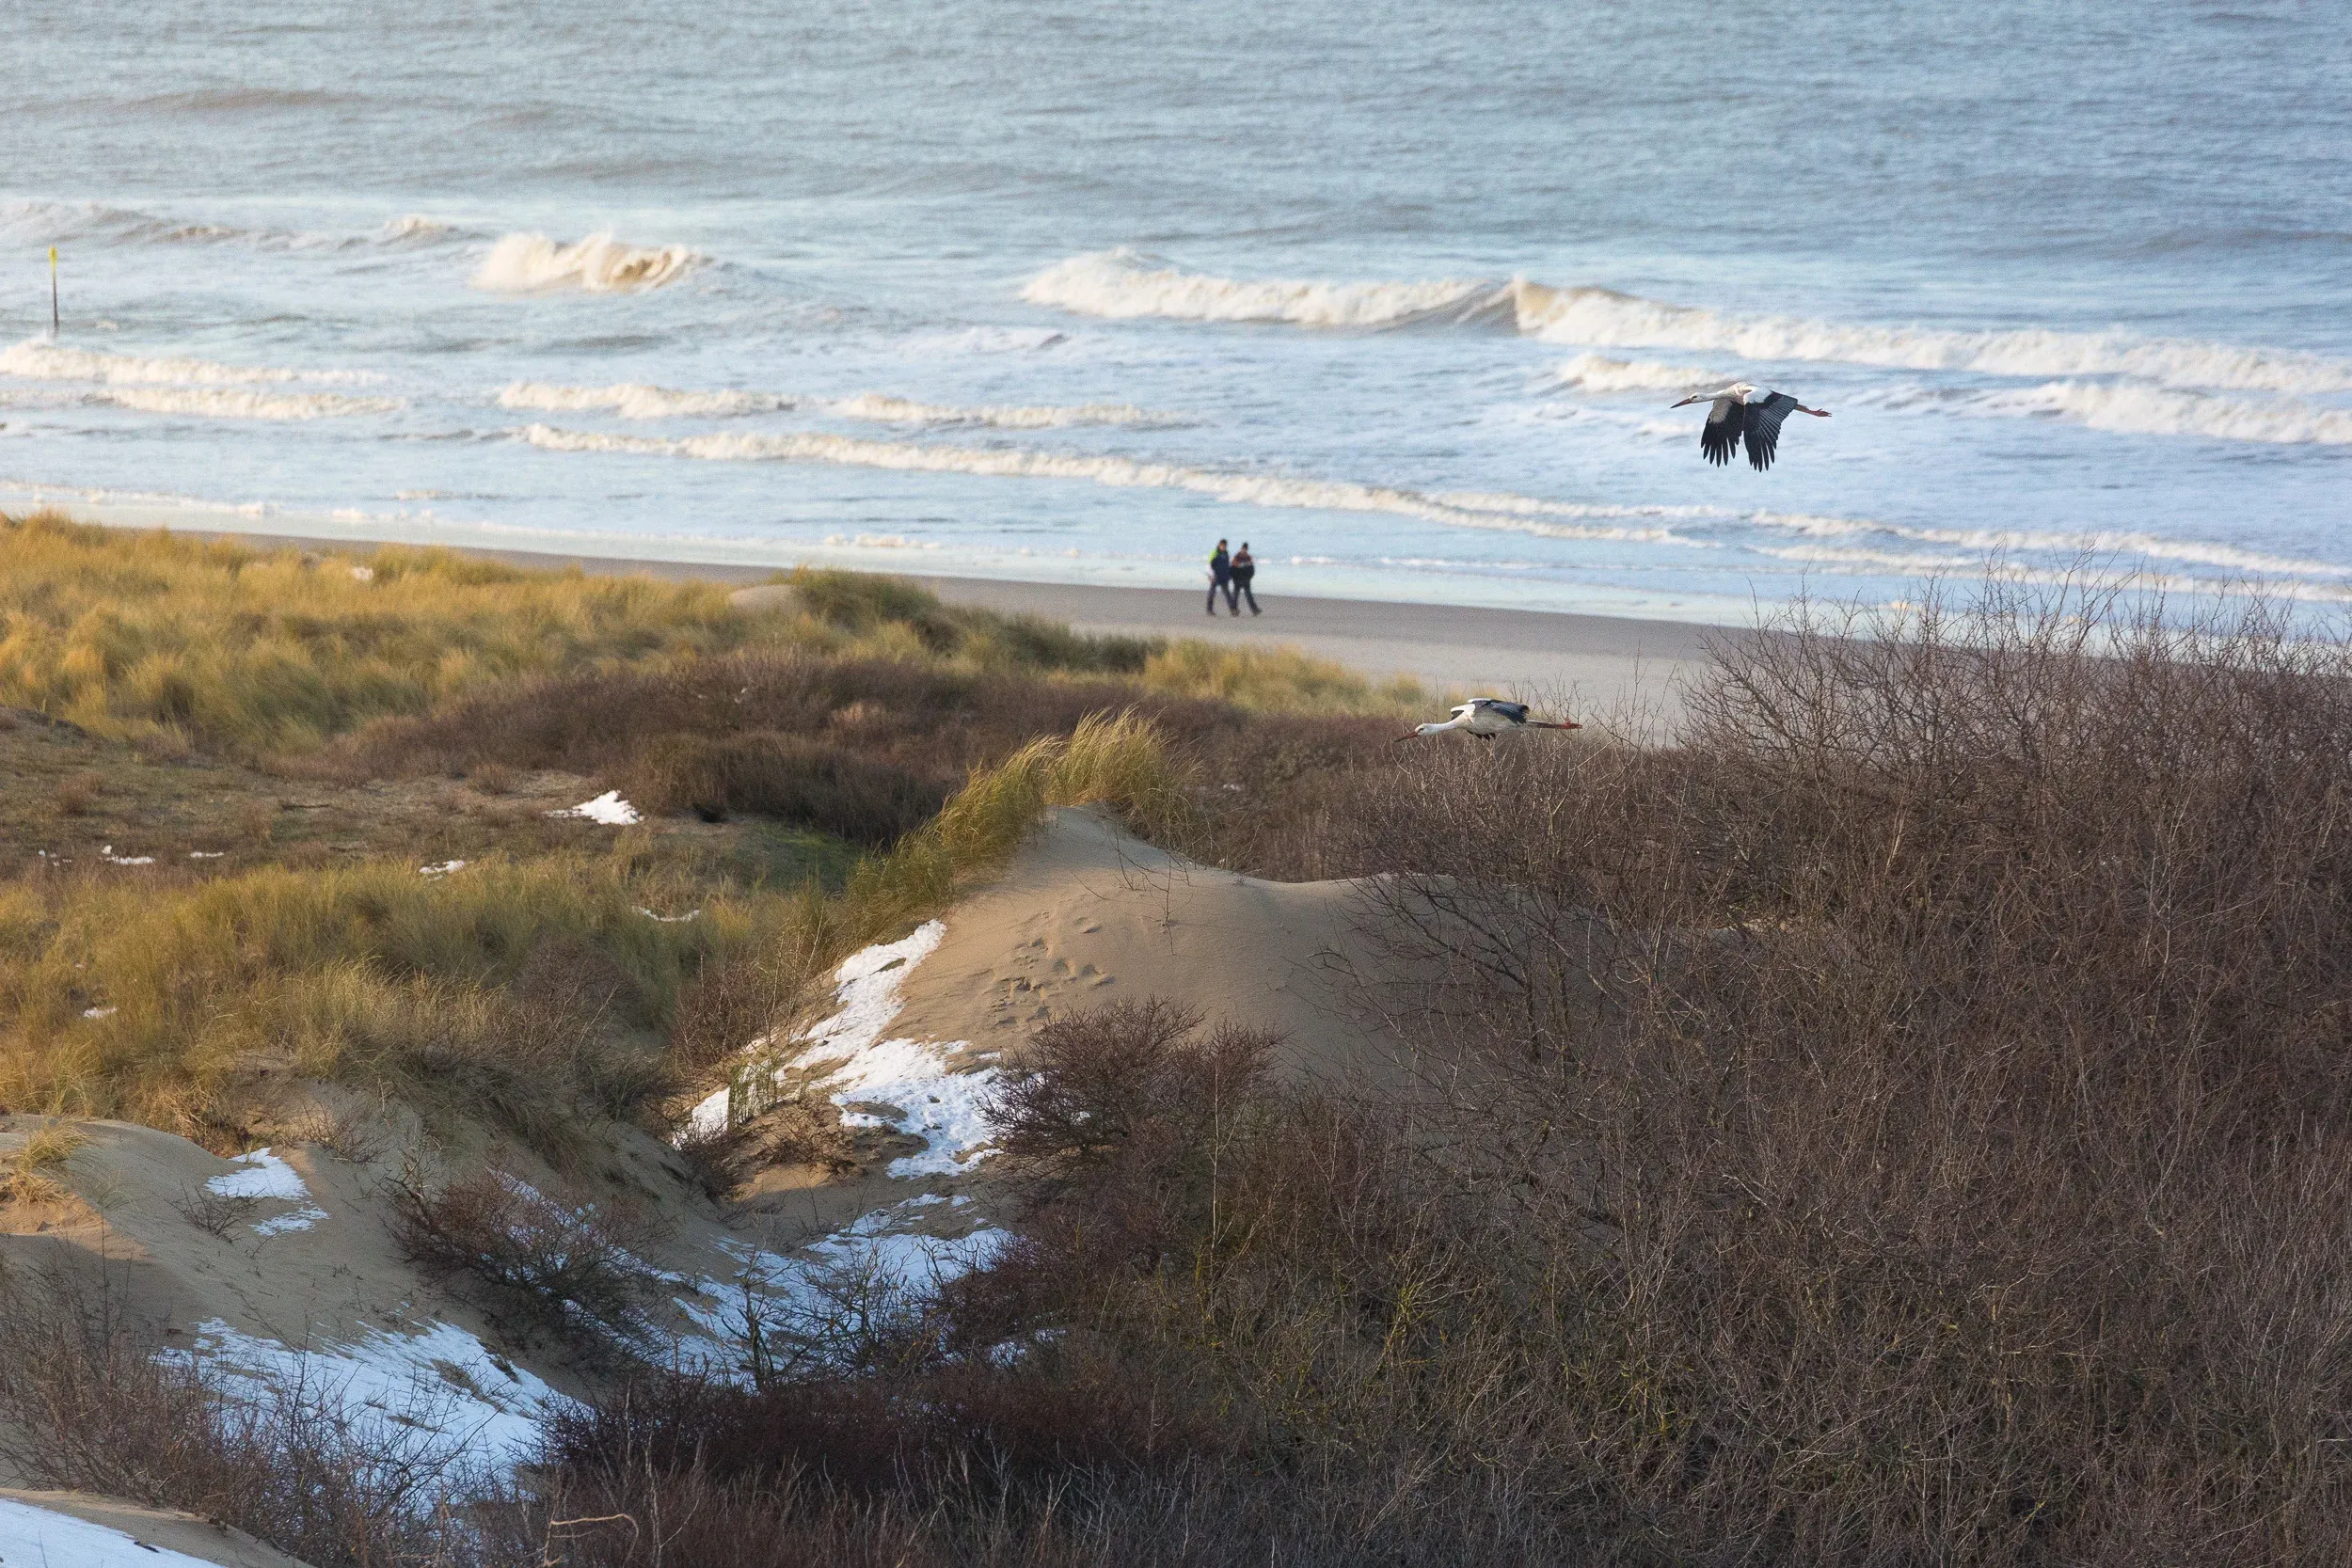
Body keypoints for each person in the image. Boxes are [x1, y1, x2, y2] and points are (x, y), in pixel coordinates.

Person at [1230, 541, 1260, 615]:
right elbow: (1232, 568)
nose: (1244, 550)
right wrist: (1233, 577)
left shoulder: (1248, 557)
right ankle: (1234, 610)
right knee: (1236, 595)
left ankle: (1254, 610)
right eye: (1244, 549)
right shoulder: (1237, 557)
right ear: (1242, 548)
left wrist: (1249, 577)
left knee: (1248, 595)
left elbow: (1252, 569)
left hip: (1245, 579)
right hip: (1238, 579)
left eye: (1245, 549)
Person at [1207, 538, 1234, 615]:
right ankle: (1209, 610)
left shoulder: (1226, 553)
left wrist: (1229, 575)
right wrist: (1211, 575)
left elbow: (1227, 565)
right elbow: (1209, 565)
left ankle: (1232, 609)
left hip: (1224, 576)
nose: (1224, 547)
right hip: (1215, 576)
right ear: (1220, 545)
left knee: (1227, 593)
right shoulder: (1215, 553)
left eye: (1225, 546)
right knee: (1212, 593)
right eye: (1223, 546)